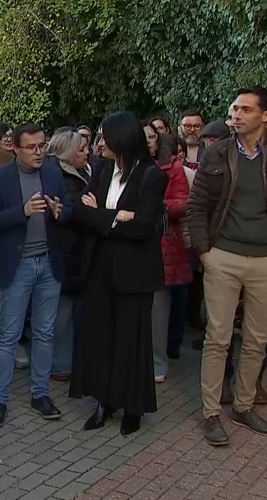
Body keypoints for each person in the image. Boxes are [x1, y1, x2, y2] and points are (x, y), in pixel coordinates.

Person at [189, 87, 267, 447]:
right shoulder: (218, 152)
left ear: (265, 115)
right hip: (223, 257)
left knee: (257, 339)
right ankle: (211, 413)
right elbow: (197, 207)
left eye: (244, 109)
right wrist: (206, 254)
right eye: (233, 109)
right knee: (217, 338)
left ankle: (243, 405)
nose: (236, 115)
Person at [69, 111, 167, 436]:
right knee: (102, 337)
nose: (98, 144)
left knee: (132, 341)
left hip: (134, 272)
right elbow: (80, 212)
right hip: (100, 267)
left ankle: (133, 407)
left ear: (120, 139)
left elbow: (142, 227)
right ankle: (104, 401)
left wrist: (102, 216)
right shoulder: (101, 169)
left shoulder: (151, 176)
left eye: (103, 137)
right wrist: (115, 217)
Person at [0, 122, 67, 427]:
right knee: (9, 335)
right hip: (17, 265)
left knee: (45, 333)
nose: (38, 152)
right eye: (31, 147)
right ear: (15, 148)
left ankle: (40, 394)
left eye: (42, 145)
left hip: (49, 263)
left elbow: (67, 209)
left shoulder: (53, 174)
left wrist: (61, 211)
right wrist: (22, 212)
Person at [45, 128, 90, 382]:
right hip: (65, 249)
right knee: (61, 311)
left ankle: (69, 361)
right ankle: (59, 364)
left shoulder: (82, 172)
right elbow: (66, 212)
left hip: (77, 249)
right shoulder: (57, 176)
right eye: (81, 149)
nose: (87, 152)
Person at [147, 132, 191, 380]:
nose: (148, 140)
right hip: (131, 242)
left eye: (153, 136)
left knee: (157, 310)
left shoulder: (174, 169)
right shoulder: (128, 165)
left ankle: (157, 364)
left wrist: (153, 207)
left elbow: (183, 203)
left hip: (163, 244)